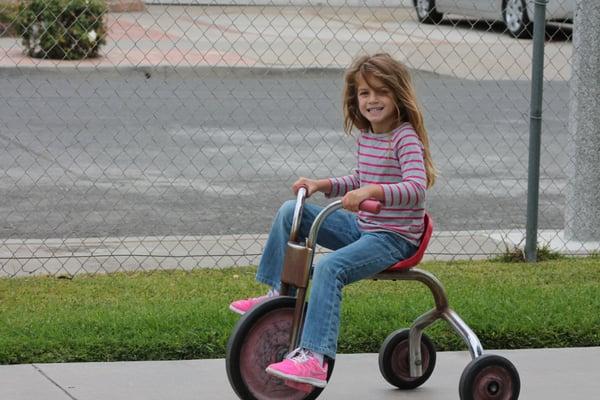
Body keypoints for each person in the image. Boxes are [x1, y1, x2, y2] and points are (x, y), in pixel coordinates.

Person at [229, 53, 437, 389]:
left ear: (398, 95)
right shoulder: (368, 136)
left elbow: (416, 187)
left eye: (381, 92)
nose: (372, 100)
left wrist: (374, 191)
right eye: (364, 93)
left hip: (394, 238)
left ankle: (314, 358)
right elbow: (358, 179)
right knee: (290, 212)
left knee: (329, 269)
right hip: (364, 228)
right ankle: (278, 293)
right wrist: (320, 185)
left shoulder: (404, 137)